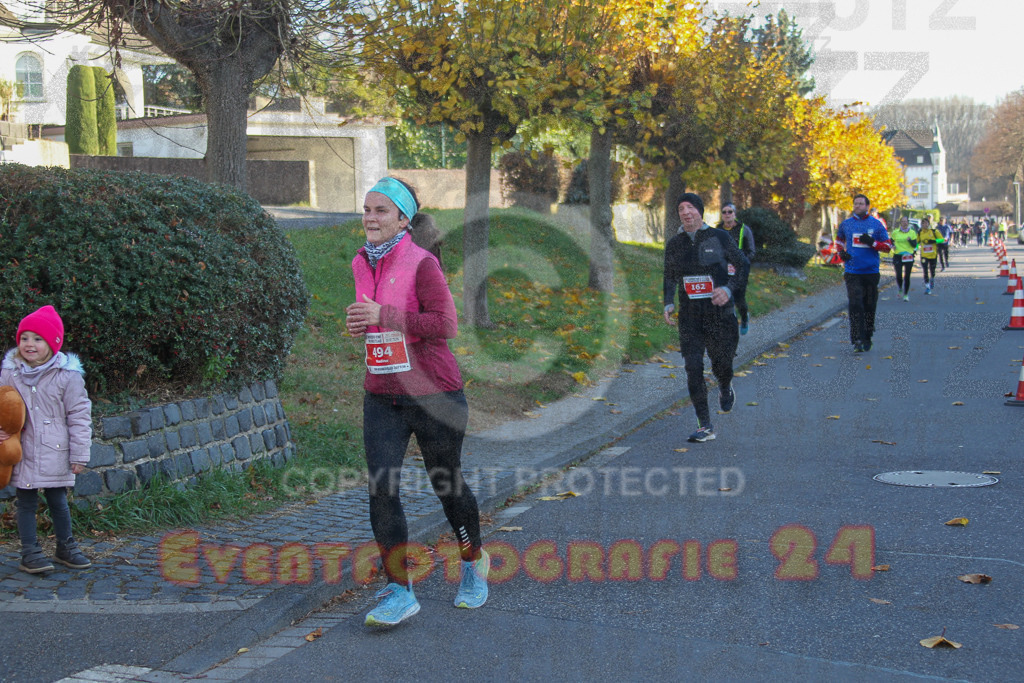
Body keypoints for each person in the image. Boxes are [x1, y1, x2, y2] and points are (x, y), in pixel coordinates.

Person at [346, 177, 488, 627]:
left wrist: (382, 316)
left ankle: (472, 563)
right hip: (382, 393)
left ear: (403, 219)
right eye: (367, 209)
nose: (370, 217)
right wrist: (361, 325)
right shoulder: (359, 262)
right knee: (381, 488)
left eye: (381, 210)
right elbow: (376, 322)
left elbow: (445, 325)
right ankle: (398, 590)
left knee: (446, 484)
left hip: (434, 394)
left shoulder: (423, 264)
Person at [0, 305, 92, 574]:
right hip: (22, 450)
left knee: (58, 501)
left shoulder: (68, 376)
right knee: (25, 502)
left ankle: (66, 546)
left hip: (56, 449)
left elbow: (79, 414)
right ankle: (30, 552)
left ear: (53, 343)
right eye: (25, 338)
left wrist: (79, 454)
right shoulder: (9, 372)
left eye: (38, 339)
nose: (30, 344)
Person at [663, 192, 749, 443]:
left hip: (719, 315)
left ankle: (724, 385)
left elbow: (742, 266)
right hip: (690, 317)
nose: (686, 212)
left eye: (690, 207)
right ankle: (705, 425)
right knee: (692, 367)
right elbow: (669, 276)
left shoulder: (719, 237)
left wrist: (728, 289)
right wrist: (668, 302)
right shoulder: (675, 244)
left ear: (700, 211)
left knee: (721, 364)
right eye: (681, 209)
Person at [835, 194, 892, 352]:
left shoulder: (877, 225)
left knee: (869, 305)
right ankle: (857, 339)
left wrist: (872, 242)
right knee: (855, 304)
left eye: (861, 204)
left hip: (871, 271)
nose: (858, 206)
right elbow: (839, 241)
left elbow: (887, 247)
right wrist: (841, 253)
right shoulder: (846, 224)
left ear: (867, 206)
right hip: (852, 271)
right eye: (855, 203)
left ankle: (867, 335)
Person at [718, 203, 756, 335]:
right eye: (724, 212)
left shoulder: (744, 230)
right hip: (723, 269)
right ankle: (728, 325)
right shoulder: (717, 229)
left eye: (730, 212)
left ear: (734, 214)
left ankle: (744, 318)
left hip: (740, 269)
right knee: (723, 296)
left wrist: (740, 262)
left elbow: (751, 251)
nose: (727, 215)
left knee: (739, 298)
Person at [890, 217, 918, 301]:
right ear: (900, 223)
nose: (904, 223)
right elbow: (890, 241)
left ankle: (906, 294)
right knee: (898, 275)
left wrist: (910, 240)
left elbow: (914, 245)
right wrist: (892, 246)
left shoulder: (912, 232)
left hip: (908, 256)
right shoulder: (896, 232)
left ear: (908, 223)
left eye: (906, 222)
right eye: (902, 222)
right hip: (898, 255)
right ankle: (900, 288)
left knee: (907, 276)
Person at [917, 216, 941, 294]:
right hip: (924, 255)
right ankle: (927, 287)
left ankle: (932, 279)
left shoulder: (934, 231)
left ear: (929, 224)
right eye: (923, 223)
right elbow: (917, 243)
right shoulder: (920, 233)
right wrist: (914, 249)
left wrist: (933, 241)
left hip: (933, 255)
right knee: (925, 271)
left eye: (926, 223)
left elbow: (942, 239)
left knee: (932, 270)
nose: (925, 225)